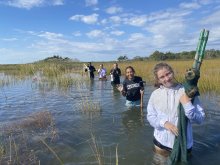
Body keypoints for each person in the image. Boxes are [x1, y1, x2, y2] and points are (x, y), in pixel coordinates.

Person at [147, 62, 205, 163]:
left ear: (172, 72)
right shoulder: (155, 94)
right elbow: (151, 117)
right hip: (161, 145)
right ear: (158, 80)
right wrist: (165, 123)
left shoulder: (187, 91)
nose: (167, 78)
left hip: (184, 146)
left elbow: (200, 119)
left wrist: (187, 105)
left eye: (168, 74)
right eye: (162, 77)